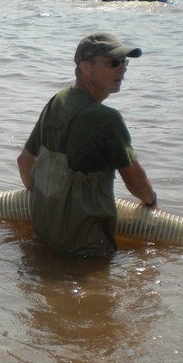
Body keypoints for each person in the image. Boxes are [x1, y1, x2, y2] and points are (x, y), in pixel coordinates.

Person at [16, 32, 157, 257]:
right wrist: (150, 202)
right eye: (113, 63)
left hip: (45, 237)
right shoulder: (107, 118)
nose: (122, 69)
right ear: (85, 67)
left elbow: (24, 161)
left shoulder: (57, 102)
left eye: (124, 62)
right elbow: (134, 179)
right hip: (87, 250)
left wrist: (44, 205)